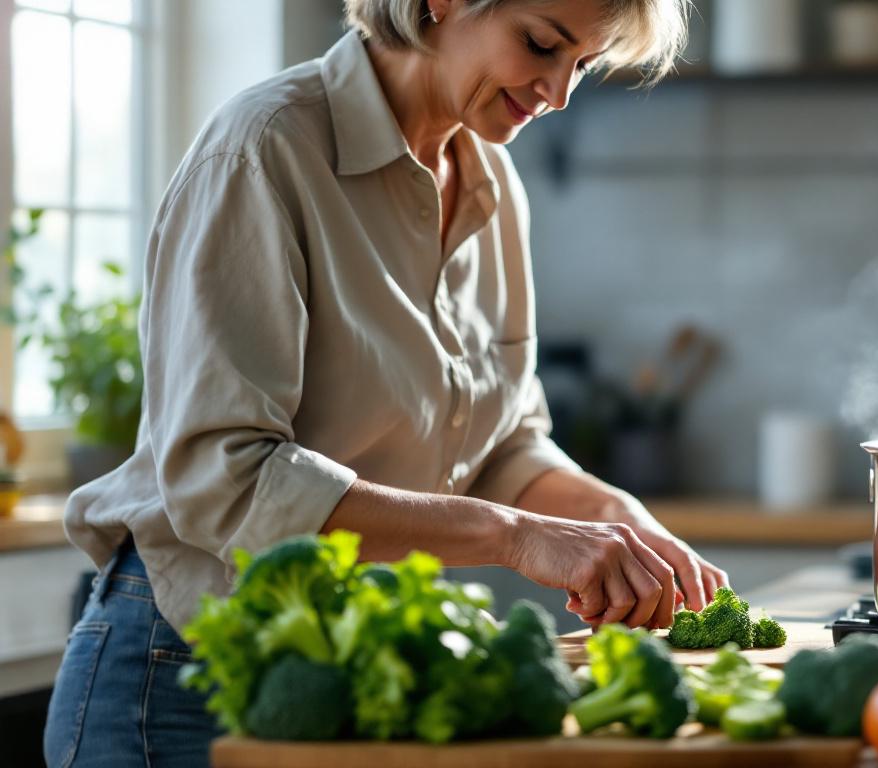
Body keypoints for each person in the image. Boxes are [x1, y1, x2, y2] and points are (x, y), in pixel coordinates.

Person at [43, 1, 723, 765]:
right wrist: (514, 537)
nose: (559, 93)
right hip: (180, 671)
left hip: (350, 671)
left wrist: (620, 524)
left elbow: (504, 447)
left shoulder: (492, 183)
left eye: (584, 65)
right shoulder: (266, 148)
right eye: (541, 44)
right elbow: (225, 478)